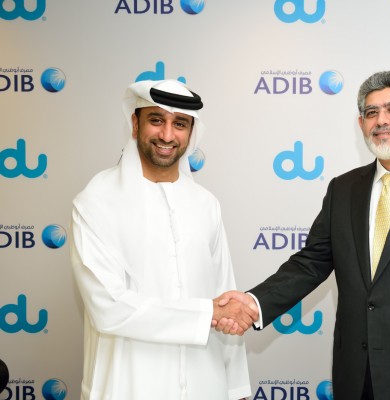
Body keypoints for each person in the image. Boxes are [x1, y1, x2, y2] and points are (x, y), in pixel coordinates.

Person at [215, 70, 390, 399]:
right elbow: (310, 263)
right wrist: (254, 303)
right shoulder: (344, 189)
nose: (382, 120)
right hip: (355, 378)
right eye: (371, 112)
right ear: (361, 123)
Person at [70, 79, 258, 400]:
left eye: (179, 124)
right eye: (156, 120)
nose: (168, 135)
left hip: (205, 386)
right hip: (128, 386)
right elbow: (108, 306)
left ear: (191, 132)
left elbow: (225, 299)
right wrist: (207, 314)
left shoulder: (205, 204)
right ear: (135, 124)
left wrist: (237, 389)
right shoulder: (97, 201)